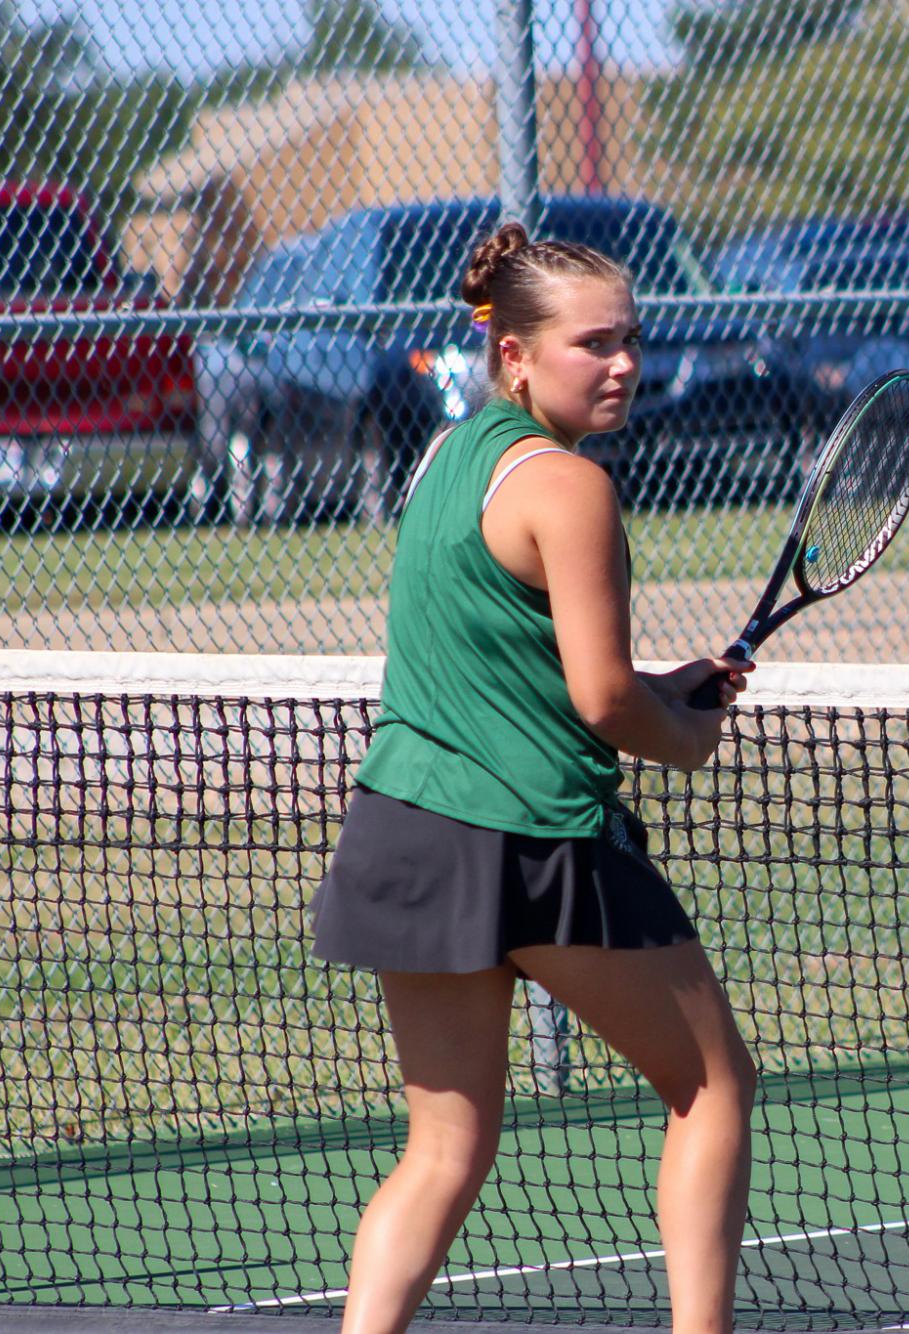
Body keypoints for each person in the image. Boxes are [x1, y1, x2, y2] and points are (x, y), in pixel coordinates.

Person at [310, 226, 757, 1334]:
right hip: (535, 847)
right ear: (514, 354)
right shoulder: (571, 487)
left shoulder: (445, 460)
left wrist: (669, 682)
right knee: (715, 1086)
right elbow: (603, 703)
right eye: (593, 343)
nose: (623, 365)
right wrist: (684, 734)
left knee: (444, 1147)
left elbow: (524, 664)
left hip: (402, 834)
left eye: (632, 340)